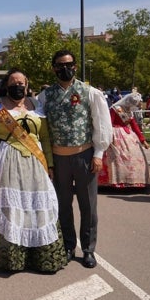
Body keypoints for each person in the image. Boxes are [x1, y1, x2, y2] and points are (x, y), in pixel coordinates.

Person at [0, 69, 66, 273]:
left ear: (27, 85)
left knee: (37, 206)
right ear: (7, 85)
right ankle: (11, 259)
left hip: (35, 163)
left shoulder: (37, 106)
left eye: (21, 83)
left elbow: (44, 138)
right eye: (13, 82)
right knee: (10, 207)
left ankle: (42, 258)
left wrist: (49, 164)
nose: (18, 86)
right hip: (6, 161)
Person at [37, 49, 112, 269]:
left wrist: (99, 153)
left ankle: (88, 249)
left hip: (84, 156)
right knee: (63, 205)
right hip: (58, 159)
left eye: (68, 64)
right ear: (53, 68)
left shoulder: (90, 93)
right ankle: (69, 245)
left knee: (88, 205)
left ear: (75, 67)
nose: (65, 68)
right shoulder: (44, 96)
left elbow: (102, 124)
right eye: (60, 65)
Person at [98, 92, 150, 188]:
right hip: (115, 135)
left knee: (130, 157)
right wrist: (108, 137)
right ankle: (117, 180)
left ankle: (131, 180)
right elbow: (109, 123)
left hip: (127, 135)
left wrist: (143, 140)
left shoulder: (128, 111)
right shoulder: (115, 109)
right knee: (117, 158)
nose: (133, 106)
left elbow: (134, 125)